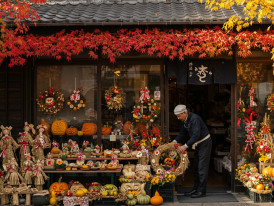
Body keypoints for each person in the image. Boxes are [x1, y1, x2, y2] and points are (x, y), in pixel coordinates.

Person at [173, 104, 212, 198]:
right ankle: (195, 189)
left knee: (201, 168)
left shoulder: (195, 119)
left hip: (204, 143)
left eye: (179, 116)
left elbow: (196, 135)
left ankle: (201, 191)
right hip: (197, 144)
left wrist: (185, 146)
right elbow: (182, 133)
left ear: (185, 112)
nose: (178, 118)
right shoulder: (185, 120)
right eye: (177, 116)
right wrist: (174, 141)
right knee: (195, 168)